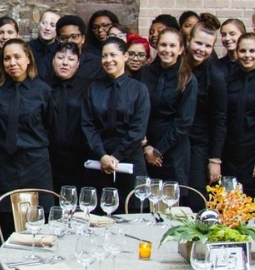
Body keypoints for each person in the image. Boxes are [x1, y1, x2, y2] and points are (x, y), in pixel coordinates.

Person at [0, 39, 53, 225]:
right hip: (3, 164)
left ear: (28, 58)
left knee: (37, 219)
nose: (12, 63)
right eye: (7, 58)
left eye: (17, 57)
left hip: (35, 163)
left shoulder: (43, 91)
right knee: (4, 218)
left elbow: (49, 126)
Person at [81, 37, 151, 205]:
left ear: (125, 56)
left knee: (132, 212)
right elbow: (87, 125)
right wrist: (103, 156)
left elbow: (138, 129)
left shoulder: (138, 89)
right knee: (98, 212)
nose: (108, 60)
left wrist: (116, 156)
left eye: (113, 55)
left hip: (129, 158)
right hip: (99, 158)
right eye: (104, 56)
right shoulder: (93, 88)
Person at [138, 27, 196, 185]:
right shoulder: (145, 73)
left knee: (170, 202)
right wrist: (147, 147)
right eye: (163, 45)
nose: (167, 50)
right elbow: (138, 111)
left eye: (172, 46)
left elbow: (184, 121)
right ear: (157, 46)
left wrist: (157, 151)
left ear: (181, 49)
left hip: (173, 149)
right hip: (146, 145)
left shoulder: (187, 78)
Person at [223, 33, 255, 197]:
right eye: (243, 51)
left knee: (254, 205)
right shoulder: (228, 81)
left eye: (252, 51)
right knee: (227, 203)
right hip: (230, 152)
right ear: (237, 52)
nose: (247, 56)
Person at [185, 22, 228, 202]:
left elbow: (219, 119)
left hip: (199, 145)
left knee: (196, 198)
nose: (202, 49)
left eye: (207, 46)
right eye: (198, 43)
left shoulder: (215, 76)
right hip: (173, 143)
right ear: (188, 40)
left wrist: (215, 159)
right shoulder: (177, 65)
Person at [45, 42, 90, 192]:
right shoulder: (43, 86)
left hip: (79, 158)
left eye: (71, 59)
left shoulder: (88, 88)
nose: (65, 63)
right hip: (48, 158)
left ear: (78, 64)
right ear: (53, 60)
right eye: (60, 57)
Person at [40, 15, 100, 85]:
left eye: (74, 37)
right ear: (58, 40)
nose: (69, 41)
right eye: (63, 38)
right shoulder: (46, 63)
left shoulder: (95, 64)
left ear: (83, 38)